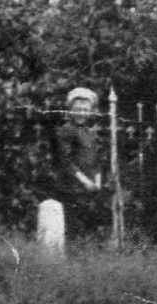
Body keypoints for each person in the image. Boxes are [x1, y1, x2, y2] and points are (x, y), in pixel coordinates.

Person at [55, 87, 109, 240]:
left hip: (89, 188)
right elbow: (65, 161)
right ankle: (72, 260)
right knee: (73, 228)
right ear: (70, 109)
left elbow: (96, 159)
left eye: (85, 109)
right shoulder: (66, 130)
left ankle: (84, 258)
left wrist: (97, 181)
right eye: (77, 109)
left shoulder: (88, 132)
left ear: (91, 111)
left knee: (87, 229)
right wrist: (84, 181)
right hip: (72, 188)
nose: (81, 113)